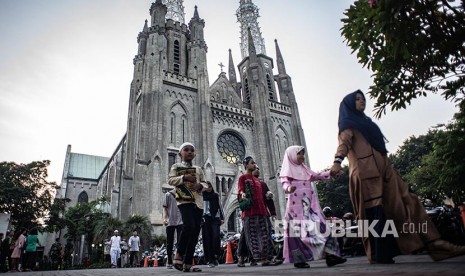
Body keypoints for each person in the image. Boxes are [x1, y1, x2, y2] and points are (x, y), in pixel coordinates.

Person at [330, 90, 465, 264]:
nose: (362, 101)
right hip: (367, 176)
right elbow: (344, 144)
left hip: (387, 173)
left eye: (363, 98)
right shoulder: (348, 125)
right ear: (349, 104)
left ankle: (438, 246)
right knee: (376, 214)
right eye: (357, 99)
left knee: (411, 202)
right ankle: (380, 254)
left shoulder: (367, 123)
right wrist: (337, 162)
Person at [280, 145, 346, 269]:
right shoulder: (287, 172)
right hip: (296, 211)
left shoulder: (305, 169)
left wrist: (331, 172)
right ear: (292, 155)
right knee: (297, 235)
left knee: (323, 228)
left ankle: (331, 256)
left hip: (310, 208)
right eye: (299, 153)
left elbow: (318, 176)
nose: (302, 156)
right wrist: (289, 188)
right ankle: (299, 260)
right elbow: (284, 184)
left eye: (302, 154)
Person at [168, 142, 211, 272]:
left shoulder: (198, 169)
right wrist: (183, 177)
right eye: (186, 150)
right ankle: (179, 254)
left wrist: (200, 186)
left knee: (195, 232)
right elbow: (170, 180)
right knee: (189, 226)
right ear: (180, 153)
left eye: (192, 150)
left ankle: (187, 263)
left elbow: (206, 184)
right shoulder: (176, 166)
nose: (189, 152)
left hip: (198, 202)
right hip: (184, 201)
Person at [237, 156, 277, 267]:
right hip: (250, 212)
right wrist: (242, 194)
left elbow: (265, 198)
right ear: (246, 165)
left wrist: (271, 211)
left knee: (264, 236)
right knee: (252, 237)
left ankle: (264, 259)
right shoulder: (243, 178)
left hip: (262, 212)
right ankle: (248, 258)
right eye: (252, 163)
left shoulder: (259, 182)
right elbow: (240, 189)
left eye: (255, 163)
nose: (255, 165)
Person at [202, 181, 225, 268]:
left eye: (210, 186)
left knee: (216, 236)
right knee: (207, 239)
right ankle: (210, 259)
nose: (208, 188)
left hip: (215, 217)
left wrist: (222, 218)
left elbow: (220, 206)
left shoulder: (215, 195)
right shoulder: (201, 196)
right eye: (207, 186)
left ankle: (216, 255)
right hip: (205, 218)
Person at [163, 189, 183, 269]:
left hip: (180, 221)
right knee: (169, 242)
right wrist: (164, 218)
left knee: (180, 241)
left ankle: (179, 259)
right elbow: (164, 207)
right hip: (170, 221)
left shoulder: (183, 194)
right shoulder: (168, 194)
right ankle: (169, 260)